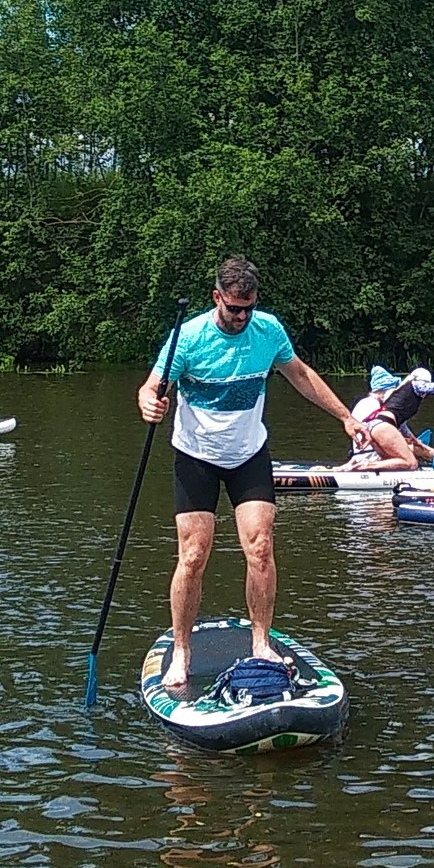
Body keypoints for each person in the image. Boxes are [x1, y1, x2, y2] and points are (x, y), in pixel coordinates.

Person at [137, 255, 367, 695]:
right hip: (196, 455)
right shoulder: (188, 337)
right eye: (233, 308)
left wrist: (344, 416)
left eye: (249, 308)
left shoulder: (268, 331)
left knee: (260, 546)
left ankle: (261, 642)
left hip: (248, 454)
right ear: (217, 298)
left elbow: (300, 374)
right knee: (193, 555)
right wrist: (149, 402)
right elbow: (153, 387)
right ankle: (182, 651)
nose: (242, 317)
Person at [346, 356, 434, 470]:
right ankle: (366, 465)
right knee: (411, 463)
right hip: (381, 429)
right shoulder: (417, 384)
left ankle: (359, 465)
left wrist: (414, 440)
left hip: (377, 428)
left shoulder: (398, 400)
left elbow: (402, 425)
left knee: (402, 455)